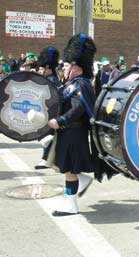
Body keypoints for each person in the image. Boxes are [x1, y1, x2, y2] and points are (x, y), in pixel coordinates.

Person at [48, 33, 98, 216]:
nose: (64, 68)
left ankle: (71, 205)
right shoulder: (72, 84)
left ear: (76, 67)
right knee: (61, 165)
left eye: (67, 65)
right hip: (68, 133)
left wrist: (60, 121)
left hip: (74, 133)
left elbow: (78, 109)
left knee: (68, 171)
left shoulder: (81, 84)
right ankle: (83, 180)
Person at [34, 47, 63, 170]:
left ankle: (46, 160)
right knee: (46, 137)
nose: (39, 70)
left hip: (51, 113)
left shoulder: (52, 81)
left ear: (47, 68)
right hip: (47, 113)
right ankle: (49, 160)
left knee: (48, 137)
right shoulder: (48, 79)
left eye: (41, 68)